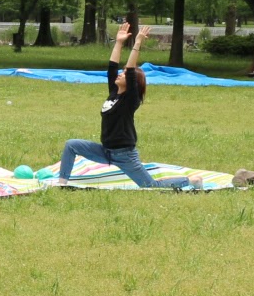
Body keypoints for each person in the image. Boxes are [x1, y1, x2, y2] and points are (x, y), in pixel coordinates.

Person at [54, 23, 204, 190]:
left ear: (133, 83)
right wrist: (118, 42)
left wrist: (137, 42)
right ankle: (62, 184)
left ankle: (192, 181)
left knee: (151, 186)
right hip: (106, 151)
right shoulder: (114, 91)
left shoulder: (130, 99)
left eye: (124, 74)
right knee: (71, 144)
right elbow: (112, 67)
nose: (120, 73)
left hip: (124, 154)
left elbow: (131, 71)